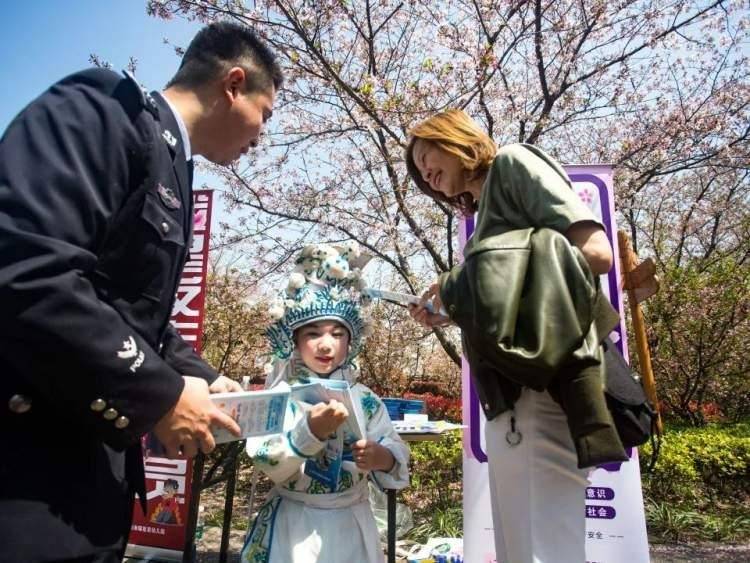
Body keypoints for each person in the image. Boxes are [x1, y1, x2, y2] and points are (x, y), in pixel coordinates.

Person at [0, 21, 282, 562]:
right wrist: (162, 395)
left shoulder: (172, 162)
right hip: (28, 479)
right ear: (234, 84)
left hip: (89, 483)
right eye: (264, 115)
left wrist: (204, 378)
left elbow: (131, 313)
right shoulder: (107, 109)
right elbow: (31, 268)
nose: (260, 137)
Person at [405, 109, 624, 563]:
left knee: (545, 545)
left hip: (542, 388)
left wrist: (461, 286)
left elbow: (594, 253)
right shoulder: (484, 211)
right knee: (520, 547)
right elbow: (517, 294)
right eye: (419, 172)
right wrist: (455, 307)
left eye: (427, 155)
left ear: (457, 139)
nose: (425, 172)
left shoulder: (512, 162)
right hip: (511, 395)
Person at [241, 243, 410, 563]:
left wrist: (382, 457)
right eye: (313, 333)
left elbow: (396, 451)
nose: (325, 344)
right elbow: (263, 456)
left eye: (337, 334)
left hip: (353, 525)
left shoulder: (367, 401)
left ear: (351, 341)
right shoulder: (280, 397)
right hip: (294, 528)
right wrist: (310, 432)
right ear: (295, 340)